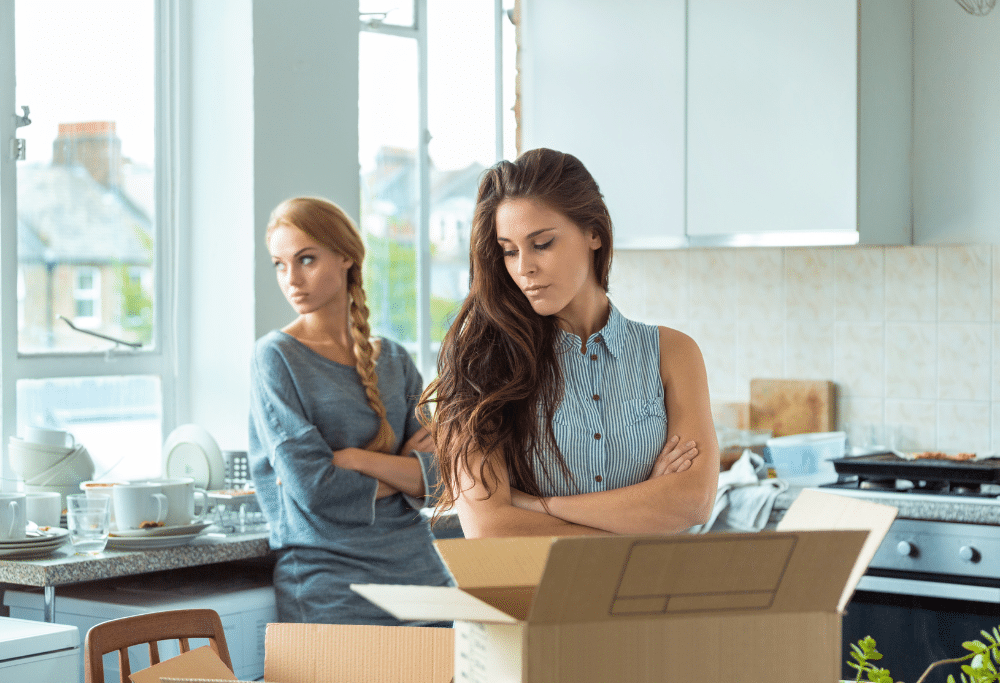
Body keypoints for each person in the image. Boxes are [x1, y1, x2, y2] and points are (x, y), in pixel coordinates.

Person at [420, 148, 719, 537]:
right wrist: (645, 515)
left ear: (593, 232)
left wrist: (536, 506)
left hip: (649, 594)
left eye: (542, 243)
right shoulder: (484, 364)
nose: (524, 267)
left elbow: (693, 501)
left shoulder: (673, 354)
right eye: (509, 251)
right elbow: (491, 527)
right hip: (531, 595)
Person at [248, 196, 452, 625]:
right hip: (331, 587)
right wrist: (400, 469)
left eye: (306, 259)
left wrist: (358, 460)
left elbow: (440, 478)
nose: (291, 279)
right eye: (279, 265)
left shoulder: (393, 360)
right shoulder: (275, 359)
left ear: (345, 257)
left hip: (422, 578)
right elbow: (318, 490)